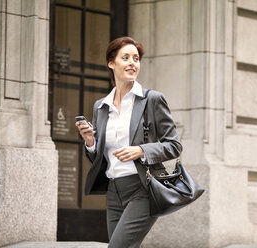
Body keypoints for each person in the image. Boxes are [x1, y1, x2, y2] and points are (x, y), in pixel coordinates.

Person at [75, 36, 182, 247]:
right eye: (125, 58)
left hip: (142, 188)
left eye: (136, 58)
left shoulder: (152, 100)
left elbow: (174, 145)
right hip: (114, 191)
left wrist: (141, 150)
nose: (132, 63)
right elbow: (98, 157)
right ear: (111, 63)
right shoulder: (101, 107)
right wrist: (90, 142)